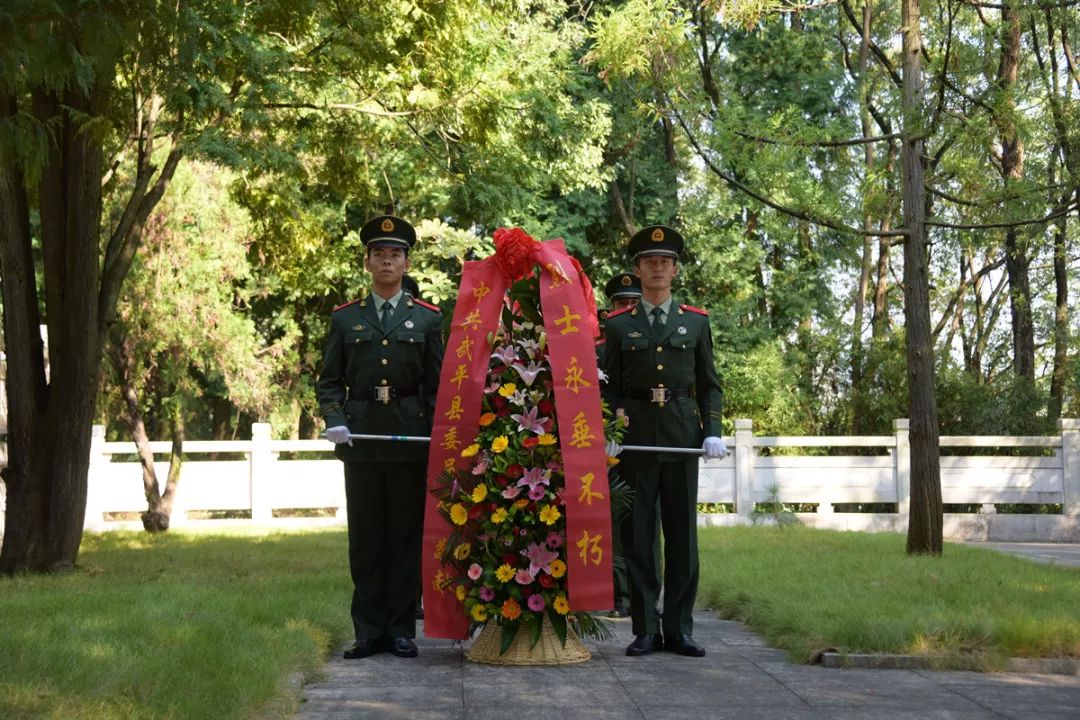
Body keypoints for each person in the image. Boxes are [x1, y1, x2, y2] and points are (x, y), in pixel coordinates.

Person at [317, 214, 444, 659]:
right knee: (367, 537)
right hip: (362, 439)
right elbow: (329, 379)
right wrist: (334, 416)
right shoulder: (346, 318)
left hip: (411, 440)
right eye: (379, 254)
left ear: (407, 263)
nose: (387, 261)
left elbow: (437, 384)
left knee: (405, 536)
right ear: (367, 262)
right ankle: (368, 630)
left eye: (395, 254)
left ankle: (401, 628)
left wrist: (435, 433)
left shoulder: (428, 320)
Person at [601, 224, 726, 658]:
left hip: (680, 439)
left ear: (674, 269)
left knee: (682, 539)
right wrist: (609, 432)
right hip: (635, 441)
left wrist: (712, 431)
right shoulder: (618, 326)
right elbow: (608, 386)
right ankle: (645, 630)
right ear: (637, 269)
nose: (657, 268)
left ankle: (679, 629)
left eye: (664, 262)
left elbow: (710, 384)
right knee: (639, 539)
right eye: (649, 262)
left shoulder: (695, 322)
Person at [598, 272, 644, 619]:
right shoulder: (595, 346)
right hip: (602, 441)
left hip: (640, 439)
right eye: (621, 303)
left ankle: (638, 596)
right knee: (609, 520)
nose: (628, 307)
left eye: (633, 301)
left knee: (642, 517)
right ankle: (615, 594)